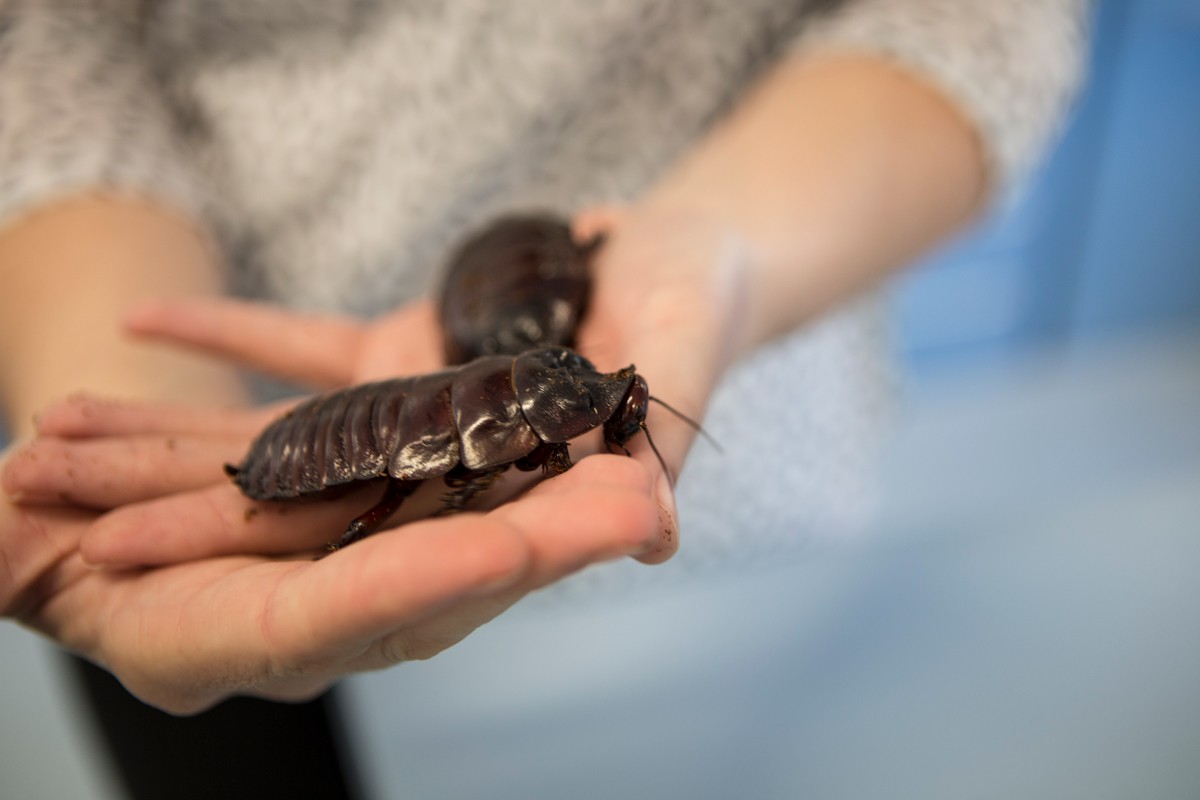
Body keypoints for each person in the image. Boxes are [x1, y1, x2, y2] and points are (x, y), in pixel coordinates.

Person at [0, 1, 1087, 796]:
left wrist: (729, 258)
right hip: (256, 393)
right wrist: (132, 373)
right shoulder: (516, 420)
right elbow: (43, 58)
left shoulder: (576, 410)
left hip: (755, 495)